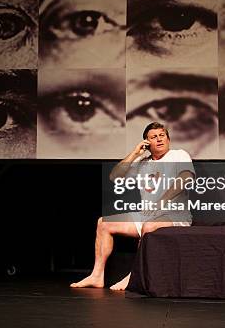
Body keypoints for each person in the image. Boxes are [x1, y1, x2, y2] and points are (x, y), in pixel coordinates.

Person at [70, 122, 195, 290]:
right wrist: (135, 153)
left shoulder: (178, 155)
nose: (159, 139)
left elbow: (186, 177)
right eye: (153, 137)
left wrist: (161, 202)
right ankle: (97, 275)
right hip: (147, 215)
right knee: (103, 223)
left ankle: (133, 277)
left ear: (168, 138)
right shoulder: (142, 162)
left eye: (162, 135)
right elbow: (115, 176)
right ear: (146, 142)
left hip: (175, 216)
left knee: (148, 227)